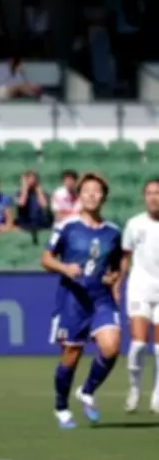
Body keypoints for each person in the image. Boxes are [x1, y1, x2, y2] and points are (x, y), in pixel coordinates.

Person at [40, 173, 122, 429]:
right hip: (73, 299)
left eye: (97, 191)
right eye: (86, 190)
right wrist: (65, 268)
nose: (92, 195)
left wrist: (114, 277)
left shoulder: (113, 232)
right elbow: (45, 258)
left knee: (111, 347)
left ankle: (87, 391)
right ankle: (61, 407)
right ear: (80, 195)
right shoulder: (67, 226)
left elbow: (117, 265)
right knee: (72, 354)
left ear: (104, 196)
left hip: (101, 298)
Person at [120, 179, 159, 413]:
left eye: (158, 192)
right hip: (140, 288)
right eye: (150, 193)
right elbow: (125, 256)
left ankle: (157, 392)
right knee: (138, 344)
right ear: (144, 197)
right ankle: (135, 388)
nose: (154, 197)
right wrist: (116, 284)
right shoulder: (134, 224)